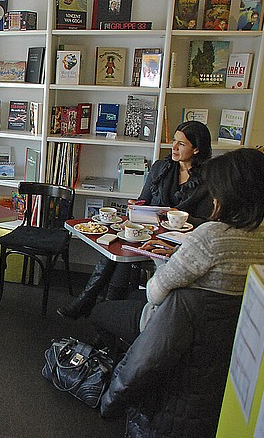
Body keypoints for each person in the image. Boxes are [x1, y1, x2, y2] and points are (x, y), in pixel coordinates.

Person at [98, 148, 264, 437]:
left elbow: (156, 294)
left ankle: (110, 375)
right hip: (230, 345)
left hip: (176, 333)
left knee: (106, 311)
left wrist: (163, 263)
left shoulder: (212, 236)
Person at [57, 121, 214, 320]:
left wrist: (178, 215)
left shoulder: (209, 180)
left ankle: (94, 307)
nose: (173, 147)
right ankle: (99, 309)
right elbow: (144, 200)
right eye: (174, 141)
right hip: (147, 231)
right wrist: (136, 205)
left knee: (124, 249)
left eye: (181, 144)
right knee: (118, 246)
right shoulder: (161, 168)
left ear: (197, 148)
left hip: (178, 242)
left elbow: (206, 223)